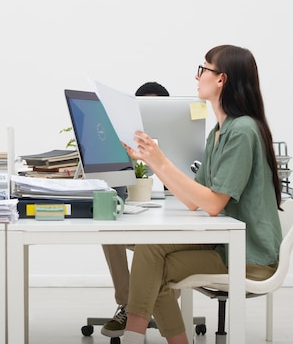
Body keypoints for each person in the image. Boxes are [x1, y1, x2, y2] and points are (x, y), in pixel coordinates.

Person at [119, 45, 282, 344]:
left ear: (221, 79)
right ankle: (139, 335)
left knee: (152, 267)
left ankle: (133, 335)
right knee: (150, 250)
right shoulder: (218, 132)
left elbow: (213, 204)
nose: (197, 76)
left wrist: (162, 160)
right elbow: (194, 200)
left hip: (247, 256)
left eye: (203, 69)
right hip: (224, 244)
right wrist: (152, 160)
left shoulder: (242, 131)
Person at [100, 81, 170, 339]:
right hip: (137, 214)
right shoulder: (122, 143)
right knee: (108, 232)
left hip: (170, 217)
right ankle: (128, 304)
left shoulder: (179, 139)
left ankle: (165, 309)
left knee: (172, 240)